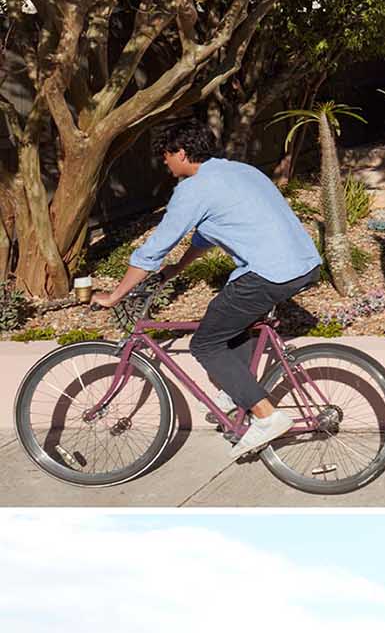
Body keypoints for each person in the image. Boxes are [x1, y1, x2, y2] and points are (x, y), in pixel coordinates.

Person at [93, 120, 322, 456]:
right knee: (233, 321)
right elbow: (206, 233)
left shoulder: (194, 188)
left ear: (182, 153)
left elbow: (155, 248)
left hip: (270, 271)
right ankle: (238, 389)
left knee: (205, 343)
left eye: (166, 156)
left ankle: (266, 416)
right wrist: (179, 268)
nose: (165, 163)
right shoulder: (240, 172)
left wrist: (115, 294)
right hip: (302, 264)